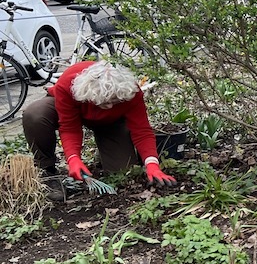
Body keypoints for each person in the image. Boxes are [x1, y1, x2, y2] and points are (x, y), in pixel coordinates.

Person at [22, 60, 176, 200]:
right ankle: (47, 170)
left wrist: (151, 163)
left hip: (111, 123)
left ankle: (104, 150)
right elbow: (69, 127)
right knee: (35, 115)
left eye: (114, 101)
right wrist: (73, 158)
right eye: (104, 102)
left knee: (122, 171)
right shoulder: (68, 84)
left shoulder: (130, 91)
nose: (109, 106)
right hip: (71, 108)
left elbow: (142, 130)